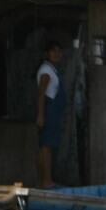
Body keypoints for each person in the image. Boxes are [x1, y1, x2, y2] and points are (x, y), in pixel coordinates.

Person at [35, 41, 67, 188]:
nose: (56, 54)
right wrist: (41, 115)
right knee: (46, 147)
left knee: (47, 146)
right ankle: (46, 181)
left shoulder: (52, 70)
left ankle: (44, 180)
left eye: (58, 51)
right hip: (48, 110)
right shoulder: (46, 70)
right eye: (53, 51)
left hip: (52, 111)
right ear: (46, 54)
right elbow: (41, 93)